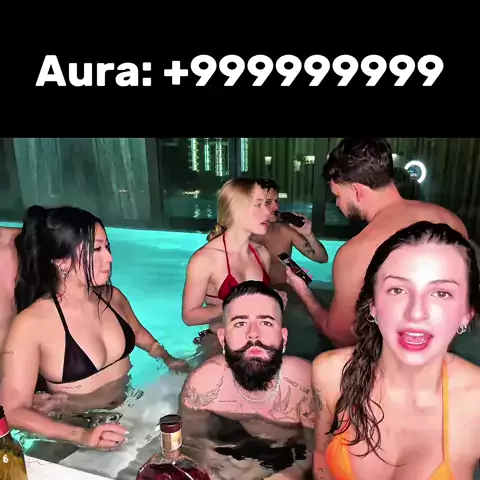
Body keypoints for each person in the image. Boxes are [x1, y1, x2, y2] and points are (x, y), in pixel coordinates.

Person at [1, 205, 189, 450]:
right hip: (73, 426)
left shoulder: (111, 297)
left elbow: (138, 333)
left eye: (107, 247)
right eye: (96, 249)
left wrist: (166, 357)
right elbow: (13, 411)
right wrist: (83, 436)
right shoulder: (32, 324)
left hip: (130, 405)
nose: (109, 258)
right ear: (62, 261)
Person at [311, 221, 480, 479]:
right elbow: (321, 457)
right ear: (373, 305)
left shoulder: (475, 403)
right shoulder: (331, 373)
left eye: (441, 293)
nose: (416, 313)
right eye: (397, 290)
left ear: (467, 313)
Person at [286, 138, 468, 347]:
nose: (337, 203)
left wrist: (303, 292)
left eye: (337, 195)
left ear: (356, 191)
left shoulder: (358, 252)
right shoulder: (451, 220)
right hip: (441, 353)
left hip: (390, 359)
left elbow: (340, 336)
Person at [179, 280, 315, 479]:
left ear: (284, 338)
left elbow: (321, 452)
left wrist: (291, 474)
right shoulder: (203, 384)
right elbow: (192, 444)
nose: (253, 334)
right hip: (235, 443)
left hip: (293, 449)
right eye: (240, 323)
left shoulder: (306, 384)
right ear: (222, 339)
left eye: (266, 322)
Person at [182, 177, 285, 360]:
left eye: (266, 204)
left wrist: (274, 300)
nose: (268, 211)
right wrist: (238, 304)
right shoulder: (205, 259)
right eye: (259, 205)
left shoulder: (261, 253)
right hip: (219, 343)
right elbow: (189, 316)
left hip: (257, 342)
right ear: (237, 210)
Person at [252, 178, 328, 285]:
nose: (276, 207)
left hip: (285, 288)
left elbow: (322, 259)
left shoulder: (285, 231)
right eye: (268, 202)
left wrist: (309, 235)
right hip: (253, 292)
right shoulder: (242, 234)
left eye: (276, 201)